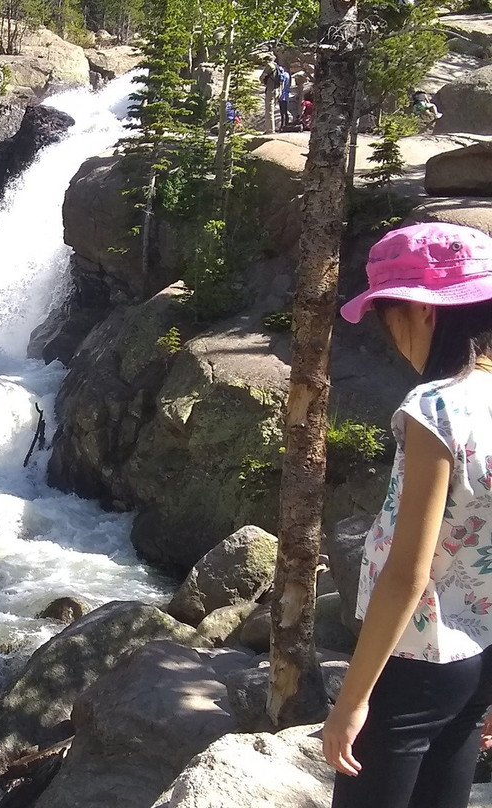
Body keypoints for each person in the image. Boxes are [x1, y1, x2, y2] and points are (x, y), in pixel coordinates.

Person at [325, 221, 492, 808]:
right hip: (478, 657)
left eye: (387, 315)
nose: (391, 335)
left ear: (423, 311)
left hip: (415, 658)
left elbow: (407, 572)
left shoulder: (435, 406)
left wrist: (351, 700)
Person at [259, 54, 280, 134]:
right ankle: (272, 128)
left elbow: (262, 77)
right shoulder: (277, 66)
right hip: (277, 89)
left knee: (269, 110)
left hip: (271, 89)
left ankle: (270, 130)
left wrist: (263, 81)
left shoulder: (269, 66)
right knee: (273, 109)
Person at [276, 62, 292, 129]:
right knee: (285, 111)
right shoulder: (288, 75)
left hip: (282, 95)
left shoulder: (283, 75)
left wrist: (279, 94)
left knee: (282, 112)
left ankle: (283, 126)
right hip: (287, 95)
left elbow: (281, 84)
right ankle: (286, 125)